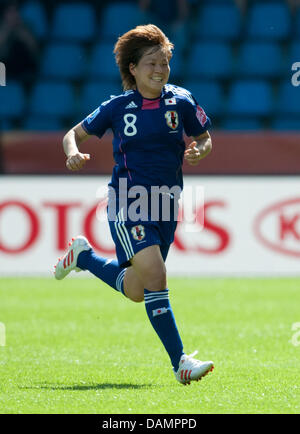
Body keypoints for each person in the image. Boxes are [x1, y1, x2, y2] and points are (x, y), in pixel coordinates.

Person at [54, 24, 214, 385]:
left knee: (138, 290)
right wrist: (73, 151)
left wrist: (199, 151)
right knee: (157, 277)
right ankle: (181, 363)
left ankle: (83, 257)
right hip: (129, 203)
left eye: (165, 63)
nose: (160, 70)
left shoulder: (182, 101)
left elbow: (205, 138)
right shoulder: (117, 107)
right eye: (151, 64)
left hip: (166, 205)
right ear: (133, 69)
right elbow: (71, 134)